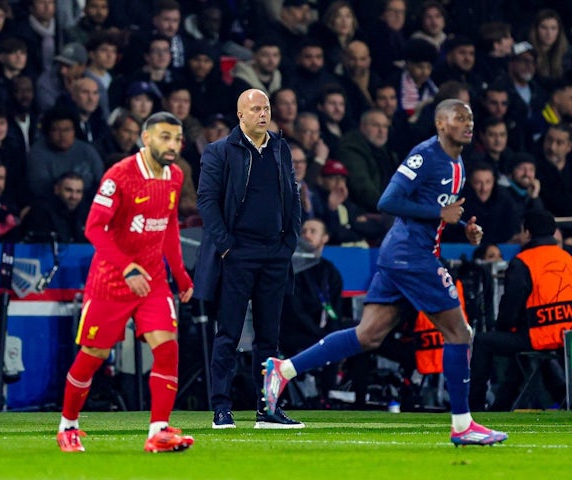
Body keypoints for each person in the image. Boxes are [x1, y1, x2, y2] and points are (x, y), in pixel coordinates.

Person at [263, 99, 509, 446]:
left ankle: (283, 370)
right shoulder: (426, 155)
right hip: (410, 255)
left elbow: (437, 213)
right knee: (459, 332)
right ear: (440, 123)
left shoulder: (459, 163)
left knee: (368, 335)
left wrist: (463, 229)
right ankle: (462, 424)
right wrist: (439, 216)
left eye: (470, 118)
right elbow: (388, 201)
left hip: (408, 253)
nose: (468, 124)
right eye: (460, 118)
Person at [56, 111, 195, 453]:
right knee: (93, 354)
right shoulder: (119, 176)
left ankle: (158, 431)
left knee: (167, 348)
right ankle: (68, 425)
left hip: (153, 281)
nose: (173, 145)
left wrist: (180, 273)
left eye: (177, 139)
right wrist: (127, 268)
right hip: (112, 281)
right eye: (165, 137)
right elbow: (93, 228)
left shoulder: (175, 177)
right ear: (145, 138)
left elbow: (169, 227)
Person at [194, 88, 302, 429]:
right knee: (227, 333)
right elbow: (207, 202)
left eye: (266, 108)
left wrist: (289, 244)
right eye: (255, 109)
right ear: (240, 115)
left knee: (269, 338)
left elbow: (293, 197)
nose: (262, 114)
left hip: (274, 255)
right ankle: (221, 408)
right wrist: (227, 247)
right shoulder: (220, 152)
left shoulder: (281, 149)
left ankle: (268, 408)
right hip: (237, 254)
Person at [469, 209, 570, 411]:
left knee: (483, 341)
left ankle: (475, 408)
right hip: (567, 340)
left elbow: (510, 306)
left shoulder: (523, 261)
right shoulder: (568, 258)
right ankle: (503, 406)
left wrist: (504, 327)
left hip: (537, 336)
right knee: (521, 348)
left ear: (527, 232)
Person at [279, 218, 343, 406]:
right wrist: (322, 336)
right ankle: (322, 397)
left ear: (325, 238)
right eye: (304, 231)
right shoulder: (292, 269)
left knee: (359, 338)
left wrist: (333, 333)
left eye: (312, 231)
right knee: (329, 343)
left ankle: (357, 399)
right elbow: (295, 310)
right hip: (295, 332)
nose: (306, 234)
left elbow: (336, 309)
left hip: (323, 332)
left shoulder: (330, 271)